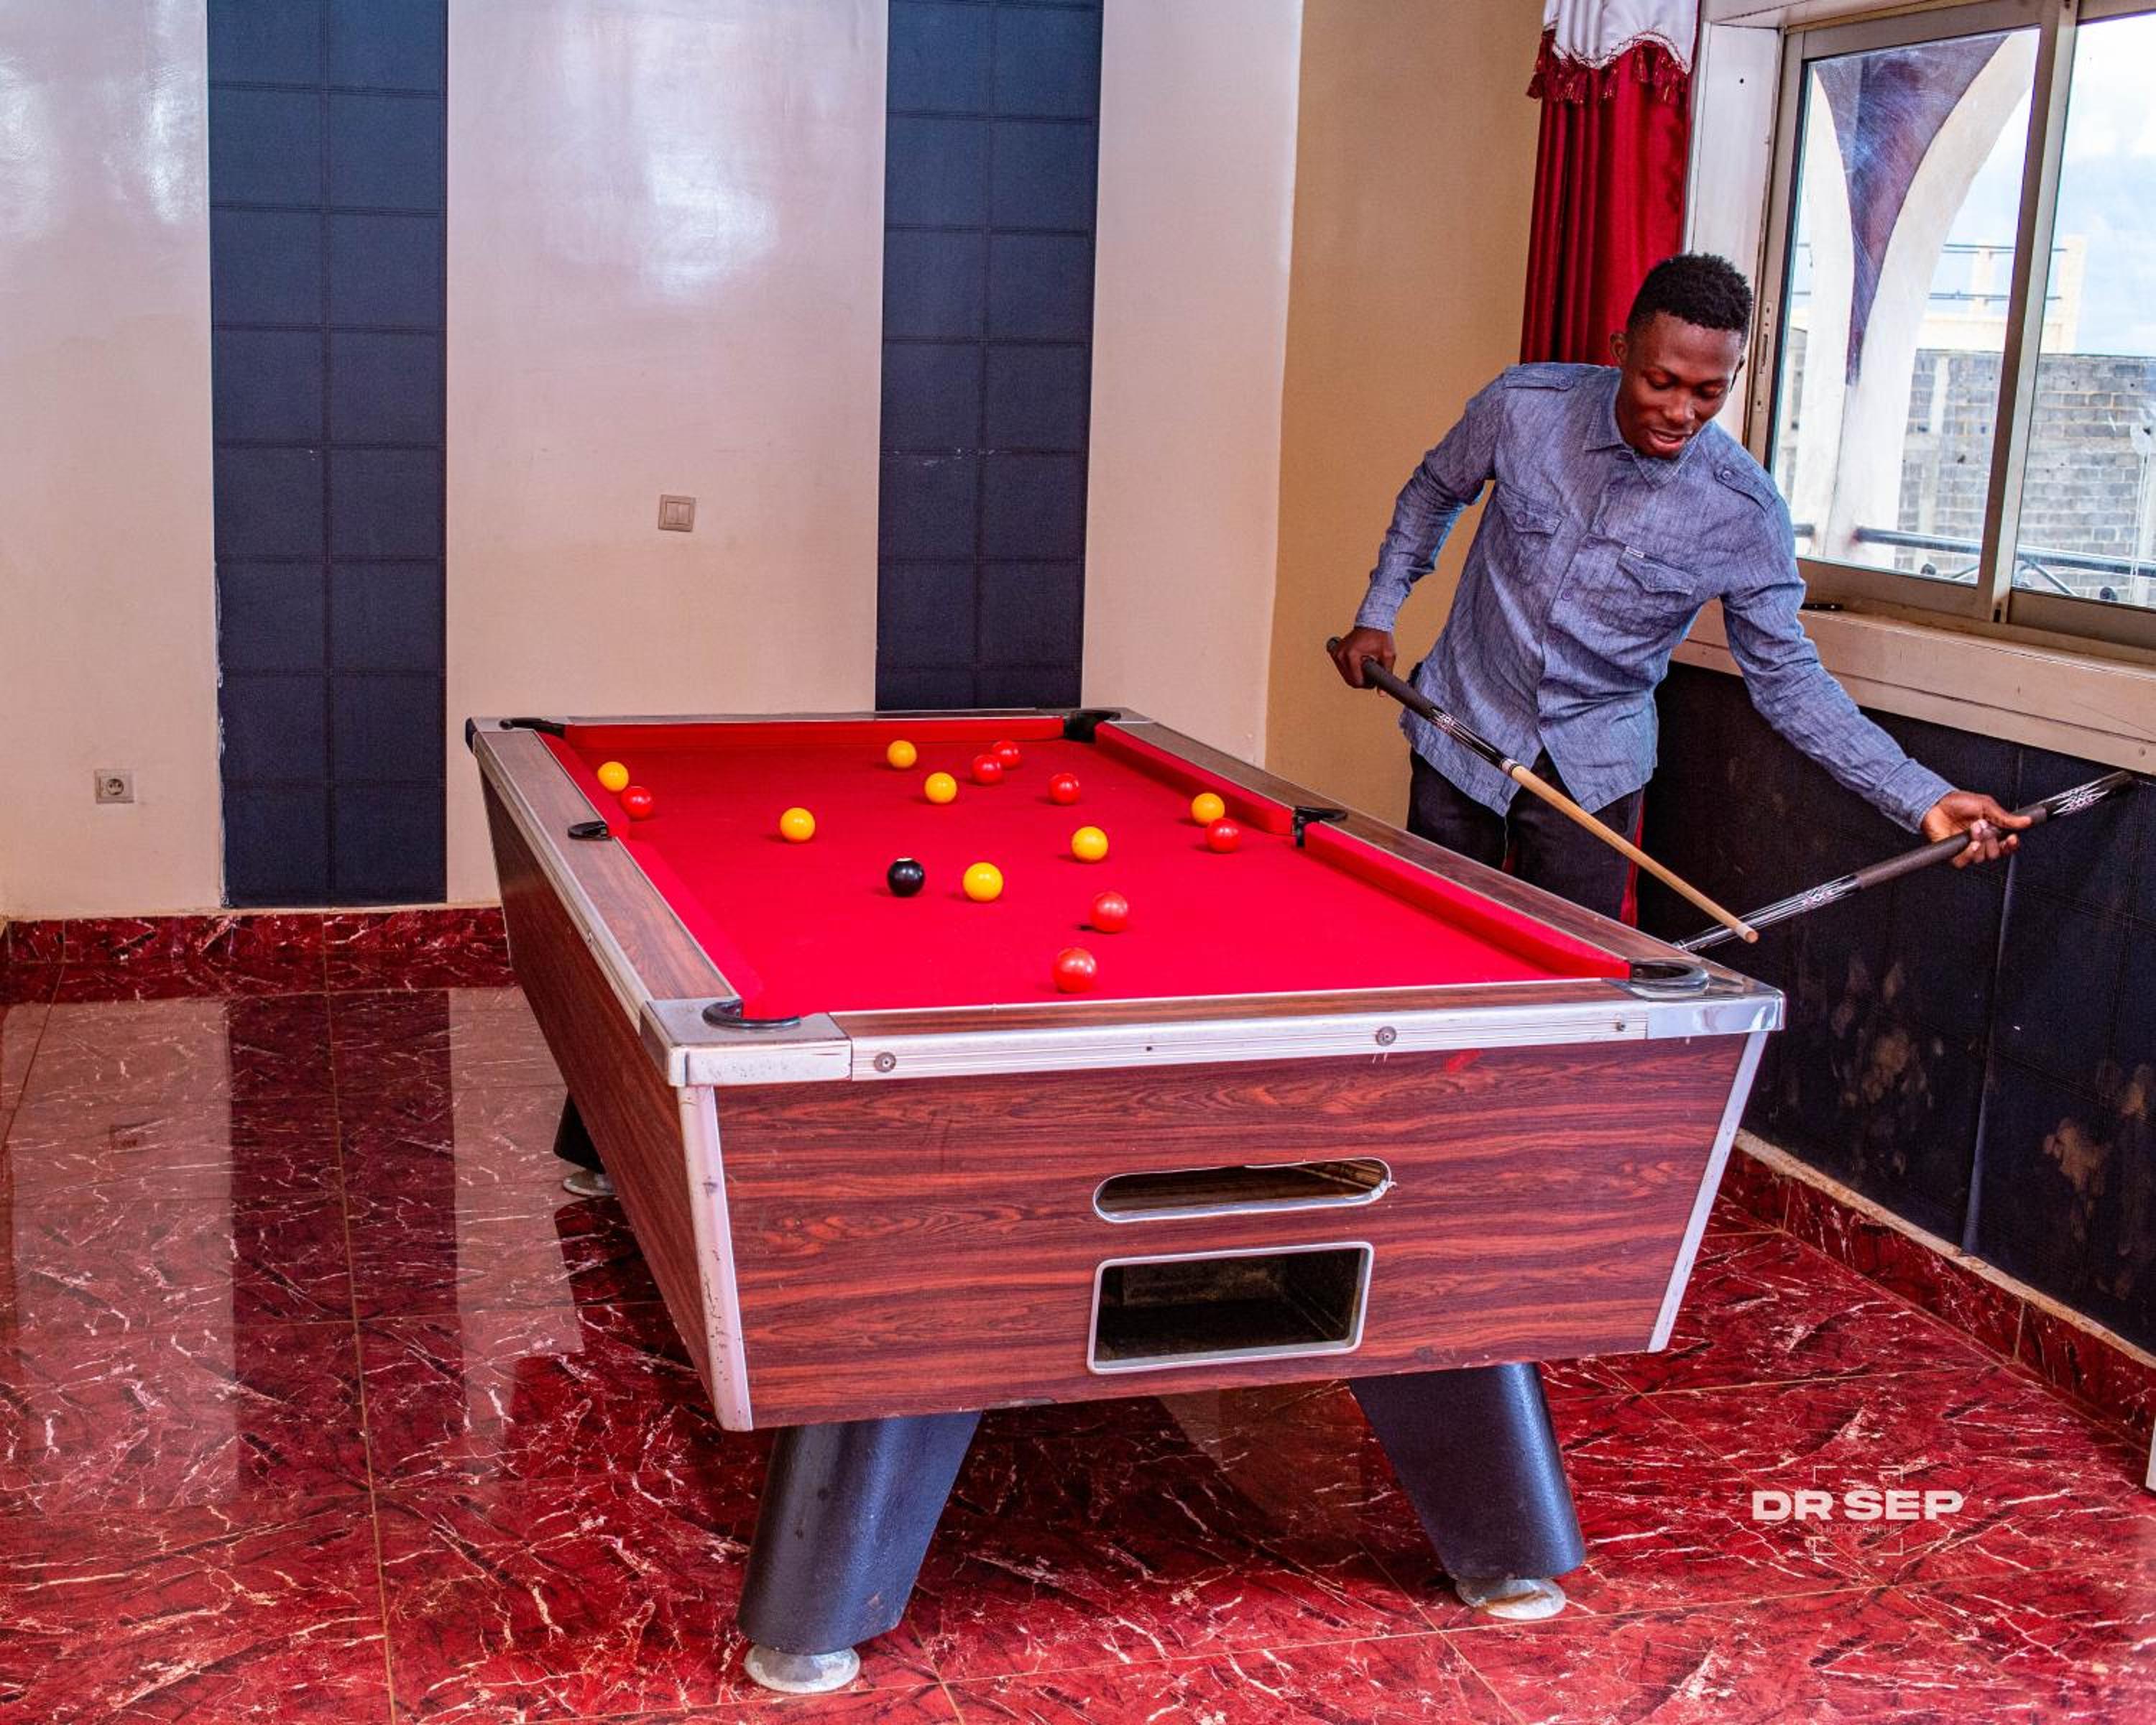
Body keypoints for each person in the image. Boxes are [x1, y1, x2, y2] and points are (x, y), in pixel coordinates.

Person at [1331, 252, 2026, 921]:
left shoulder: (1745, 512)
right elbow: (1433, 492)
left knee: (1574, 976)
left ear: (1734, 376)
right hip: (1463, 722)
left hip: (1593, 770)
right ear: (1621, 351)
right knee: (1432, 936)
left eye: (1707, 392)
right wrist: (1379, 612)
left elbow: (1788, 678)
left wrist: (1919, 796)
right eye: (1660, 382)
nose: (1680, 412)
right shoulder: (1522, 407)